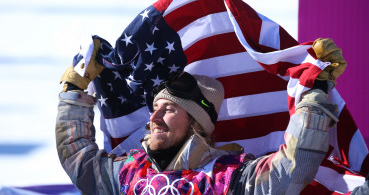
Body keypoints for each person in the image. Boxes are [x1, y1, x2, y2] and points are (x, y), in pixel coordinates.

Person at [56, 38, 367, 194]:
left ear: (196, 124)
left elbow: (292, 168)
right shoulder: (128, 173)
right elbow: (78, 157)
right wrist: (73, 90)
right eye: (155, 109)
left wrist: (313, 93)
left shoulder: (229, 178)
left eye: (170, 109)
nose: (155, 117)